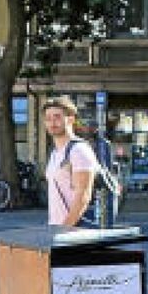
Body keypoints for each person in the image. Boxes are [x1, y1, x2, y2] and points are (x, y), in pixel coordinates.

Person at [43, 95, 97, 227]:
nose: (52, 122)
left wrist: (65, 229)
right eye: (48, 118)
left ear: (71, 119)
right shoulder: (55, 153)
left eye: (57, 117)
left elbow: (83, 195)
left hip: (74, 231)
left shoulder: (79, 150)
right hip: (56, 227)